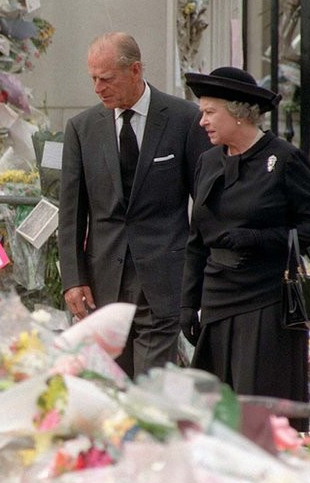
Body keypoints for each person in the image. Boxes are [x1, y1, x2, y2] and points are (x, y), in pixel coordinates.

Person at [58, 32, 211, 377]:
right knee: (110, 386)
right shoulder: (81, 129)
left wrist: (199, 275)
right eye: (93, 78)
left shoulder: (184, 119)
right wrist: (73, 278)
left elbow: (203, 204)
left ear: (135, 70)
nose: (98, 88)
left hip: (163, 277)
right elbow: (70, 214)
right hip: (102, 281)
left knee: (150, 387)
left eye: (106, 78)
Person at [180, 67, 310, 414]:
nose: (202, 122)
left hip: (265, 302)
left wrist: (257, 238)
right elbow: (196, 240)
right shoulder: (208, 161)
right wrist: (188, 303)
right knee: (214, 412)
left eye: (209, 112)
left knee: (258, 413)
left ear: (239, 112)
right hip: (217, 301)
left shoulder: (284, 160)